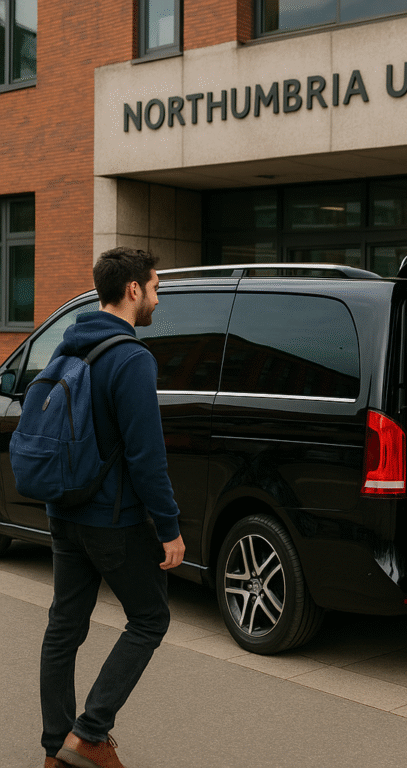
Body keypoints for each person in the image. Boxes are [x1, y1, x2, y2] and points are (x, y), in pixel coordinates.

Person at [40, 248, 184, 768]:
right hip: (112, 520)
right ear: (132, 290)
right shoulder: (131, 357)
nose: (156, 296)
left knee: (64, 628)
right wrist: (169, 528)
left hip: (63, 511)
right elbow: (147, 455)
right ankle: (90, 734)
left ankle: (57, 749)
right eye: (155, 286)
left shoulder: (67, 346)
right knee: (150, 618)